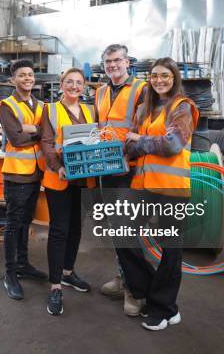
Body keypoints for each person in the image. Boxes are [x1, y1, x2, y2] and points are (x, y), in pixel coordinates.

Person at [122, 57, 199, 330]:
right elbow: (129, 144)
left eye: (165, 75)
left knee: (170, 249)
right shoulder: (145, 107)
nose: (159, 80)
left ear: (174, 77)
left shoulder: (182, 108)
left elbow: (173, 144)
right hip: (141, 187)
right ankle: (150, 290)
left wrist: (140, 142)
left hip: (171, 189)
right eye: (154, 76)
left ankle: (165, 308)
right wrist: (126, 144)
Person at [95, 44, 147, 306]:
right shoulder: (101, 91)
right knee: (115, 227)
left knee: (129, 228)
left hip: (130, 168)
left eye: (117, 60)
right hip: (107, 167)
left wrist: (128, 157)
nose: (113, 65)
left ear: (127, 62)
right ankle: (123, 275)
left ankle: (135, 290)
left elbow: (143, 128)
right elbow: (99, 128)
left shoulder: (141, 89)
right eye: (108, 62)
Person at [40, 68, 96, 315]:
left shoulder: (89, 110)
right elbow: (47, 143)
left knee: (76, 228)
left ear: (83, 87)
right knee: (60, 230)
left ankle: (68, 273)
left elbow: (95, 140)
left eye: (79, 83)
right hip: (60, 178)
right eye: (69, 82)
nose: (74, 86)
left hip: (83, 179)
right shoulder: (50, 110)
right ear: (61, 85)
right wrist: (58, 166)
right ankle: (55, 287)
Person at [0, 59, 47, 300]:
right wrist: (36, 132)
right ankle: (10, 274)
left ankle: (23, 265)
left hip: (36, 173)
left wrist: (32, 129)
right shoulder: (7, 105)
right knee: (14, 223)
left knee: (26, 221)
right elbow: (16, 139)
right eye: (22, 75)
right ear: (13, 80)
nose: (27, 78)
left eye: (30, 74)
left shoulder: (40, 104)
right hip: (17, 173)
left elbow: (48, 132)